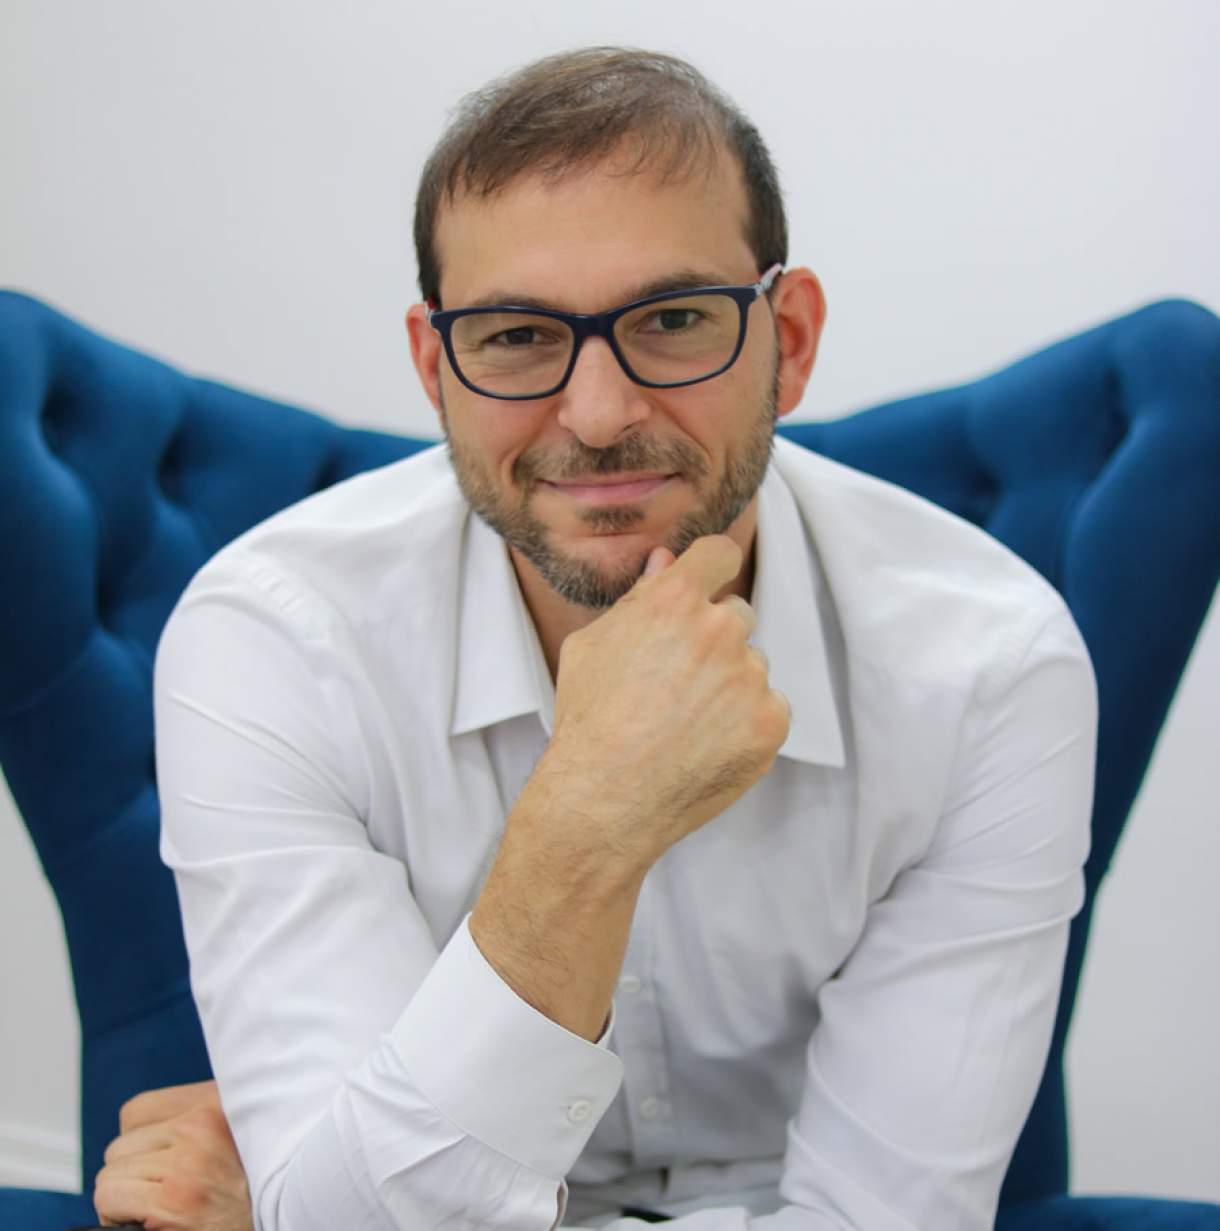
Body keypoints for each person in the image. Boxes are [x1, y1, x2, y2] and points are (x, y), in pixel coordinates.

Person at [92, 45, 1097, 1231]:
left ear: (789, 339)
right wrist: (587, 824)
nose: (600, 413)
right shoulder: (270, 638)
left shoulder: (990, 665)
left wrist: (316, 1199)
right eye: (516, 335)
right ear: (434, 368)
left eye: (672, 320)